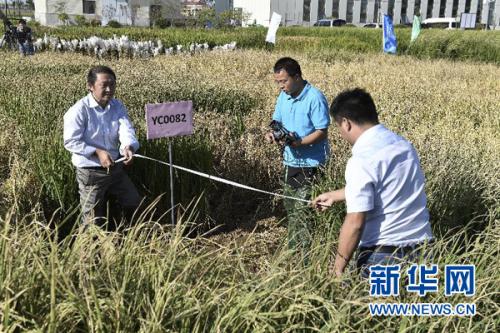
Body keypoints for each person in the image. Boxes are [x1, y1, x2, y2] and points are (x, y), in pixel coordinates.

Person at [312, 88, 433, 277]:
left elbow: (355, 223)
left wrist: (337, 268)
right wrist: (335, 195)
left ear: (346, 123)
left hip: (383, 256)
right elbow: (386, 185)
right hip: (423, 251)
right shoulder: (404, 146)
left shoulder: (361, 159)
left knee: (376, 307)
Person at [265, 57, 330, 264]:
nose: (281, 86)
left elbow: (322, 131)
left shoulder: (315, 97)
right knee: (291, 208)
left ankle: (307, 258)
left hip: (311, 164)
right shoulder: (283, 97)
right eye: (278, 82)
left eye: (284, 81)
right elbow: (277, 123)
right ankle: (294, 249)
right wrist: (274, 135)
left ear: (297, 77)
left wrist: (300, 142)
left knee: (304, 211)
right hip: (290, 162)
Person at [64, 66, 141, 228]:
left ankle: (126, 235)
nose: (109, 89)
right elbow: (71, 141)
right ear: (90, 86)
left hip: (115, 168)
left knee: (132, 201)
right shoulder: (79, 110)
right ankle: (88, 249)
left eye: (112, 85)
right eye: (104, 85)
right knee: (92, 218)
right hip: (91, 172)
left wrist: (128, 147)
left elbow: (126, 129)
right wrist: (97, 152)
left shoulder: (117, 106)